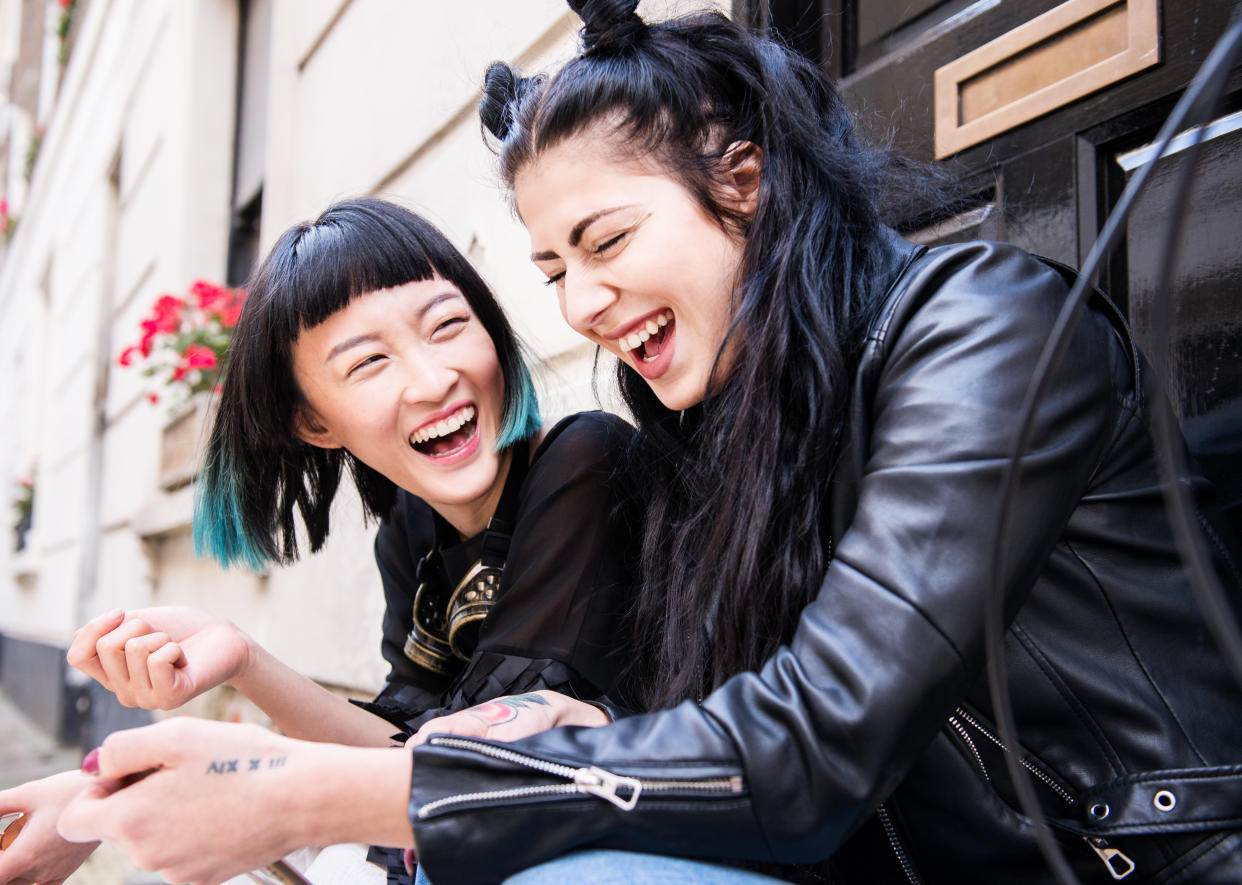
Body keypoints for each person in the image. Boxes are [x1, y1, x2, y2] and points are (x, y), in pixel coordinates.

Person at [55, 3, 1242, 883]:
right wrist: (112, 797)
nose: (579, 304)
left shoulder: (988, 330)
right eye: (555, 269)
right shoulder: (721, 425)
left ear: (746, 185)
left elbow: (809, 744)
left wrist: (293, 800)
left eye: (606, 239)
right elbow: (696, 736)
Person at [3, 197, 637, 885]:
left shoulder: (585, 461)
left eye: (449, 325)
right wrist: (241, 657)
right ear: (313, 421)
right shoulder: (411, 532)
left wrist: (103, 797)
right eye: (368, 363)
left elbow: (481, 767)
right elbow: (401, 751)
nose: (432, 380)